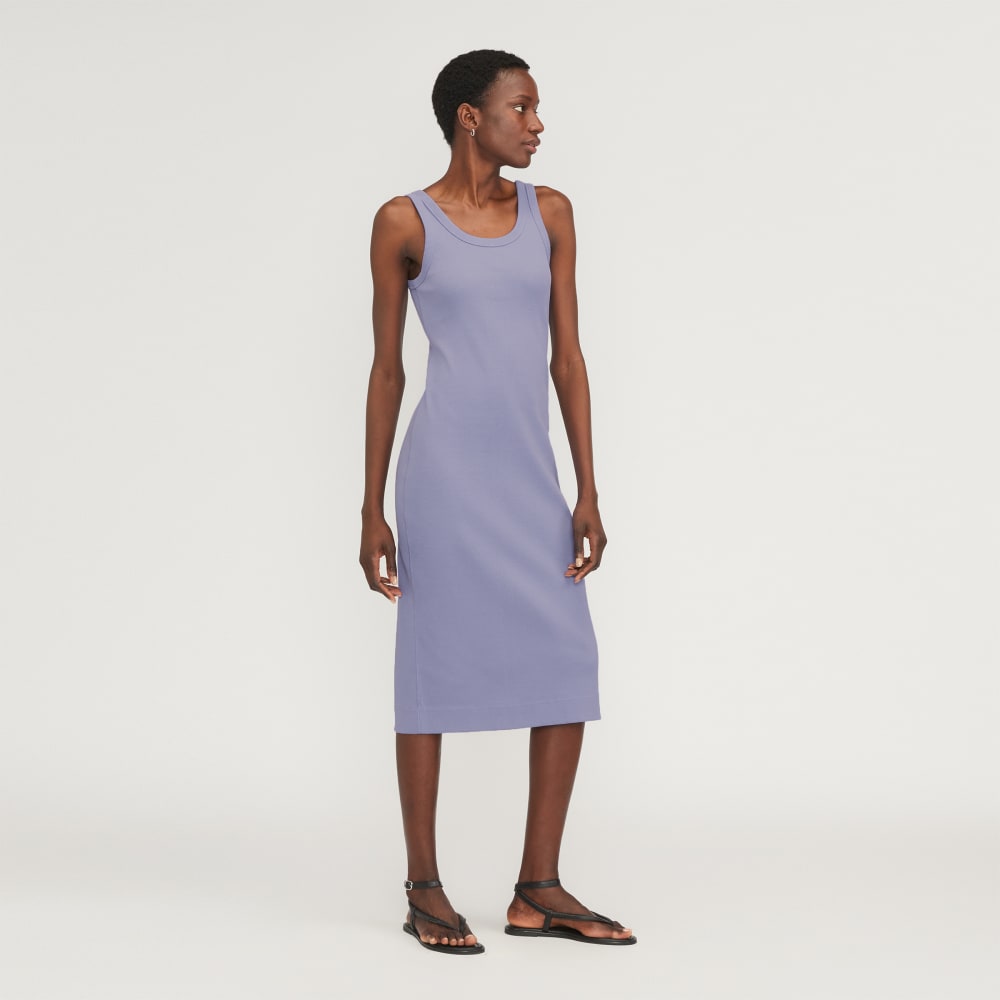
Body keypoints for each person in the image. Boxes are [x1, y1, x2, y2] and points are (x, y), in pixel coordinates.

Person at [360, 49, 635, 954]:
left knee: (567, 657)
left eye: (537, 108)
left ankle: (537, 889)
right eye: (523, 107)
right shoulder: (404, 222)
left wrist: (587, 487)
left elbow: (569, 359)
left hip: (528, 477)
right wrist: (370, 509)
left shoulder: (549, 213)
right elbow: (388, 371)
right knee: (429, 669)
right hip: (441, 479)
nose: (538, 124)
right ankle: (424, 887)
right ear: (470, 117)